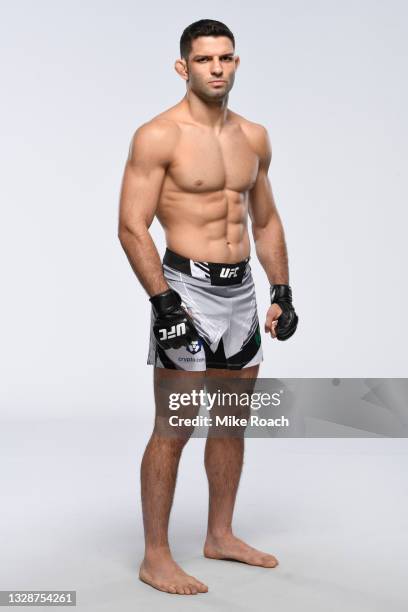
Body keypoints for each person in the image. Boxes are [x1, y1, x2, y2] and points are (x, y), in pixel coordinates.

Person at [118, 18, 298, 596]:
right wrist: (163, 301)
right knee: (175, 426)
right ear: (183, 67)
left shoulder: (254, 137)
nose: (216, 69)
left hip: (241, 293)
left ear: (236, 63)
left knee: (230, 423)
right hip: (186, 291)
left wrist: (282, 290)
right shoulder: (158, 135)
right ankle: (155, 556)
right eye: (204, 60)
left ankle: (220, 534)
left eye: (225, 59)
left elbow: (265, 220)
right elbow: (130, 225)